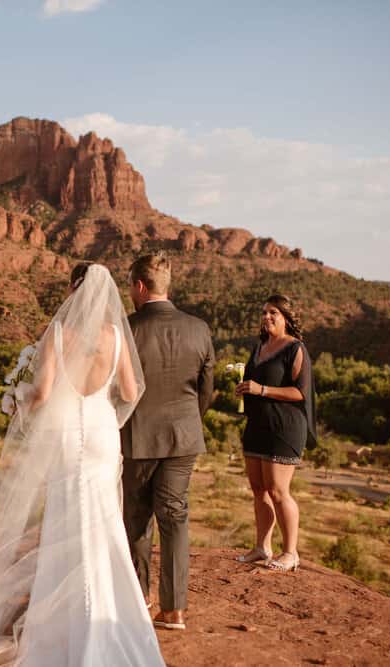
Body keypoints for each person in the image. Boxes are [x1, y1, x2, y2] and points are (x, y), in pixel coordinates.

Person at [0, 263, 164, 667]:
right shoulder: (116, 336)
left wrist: (18, 400)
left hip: (67, 433)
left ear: (73, 291)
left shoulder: (58, 333)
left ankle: (61, 623)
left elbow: (42, 392)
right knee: (103, 521)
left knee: (65, 519)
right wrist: (105, 404)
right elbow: (131, 392)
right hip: (101, 433)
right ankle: (111, 615)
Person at [121, 252, 215, 631]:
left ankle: (138, 598)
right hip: (184, 436)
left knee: (137, 519)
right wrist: (188, 422)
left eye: (130, 286)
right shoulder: (199, 328)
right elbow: (206, 390)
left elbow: (116, 389)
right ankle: (175, 610)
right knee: (174, 517)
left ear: (140, 286)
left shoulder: (126, 329)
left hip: (138, 437)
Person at [234, 294, 316, 572]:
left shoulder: (296, 348)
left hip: (284, 428)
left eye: (273, 313)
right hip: (257, 425)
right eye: (264, 312)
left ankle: (291, 553)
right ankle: (262, 547)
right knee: (259, 489)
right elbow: (254, 382)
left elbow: (301, 393)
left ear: (286, 318)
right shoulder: (260, 346)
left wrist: (262, 390)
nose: (267, 317)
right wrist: (245, 388)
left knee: (279, 491)